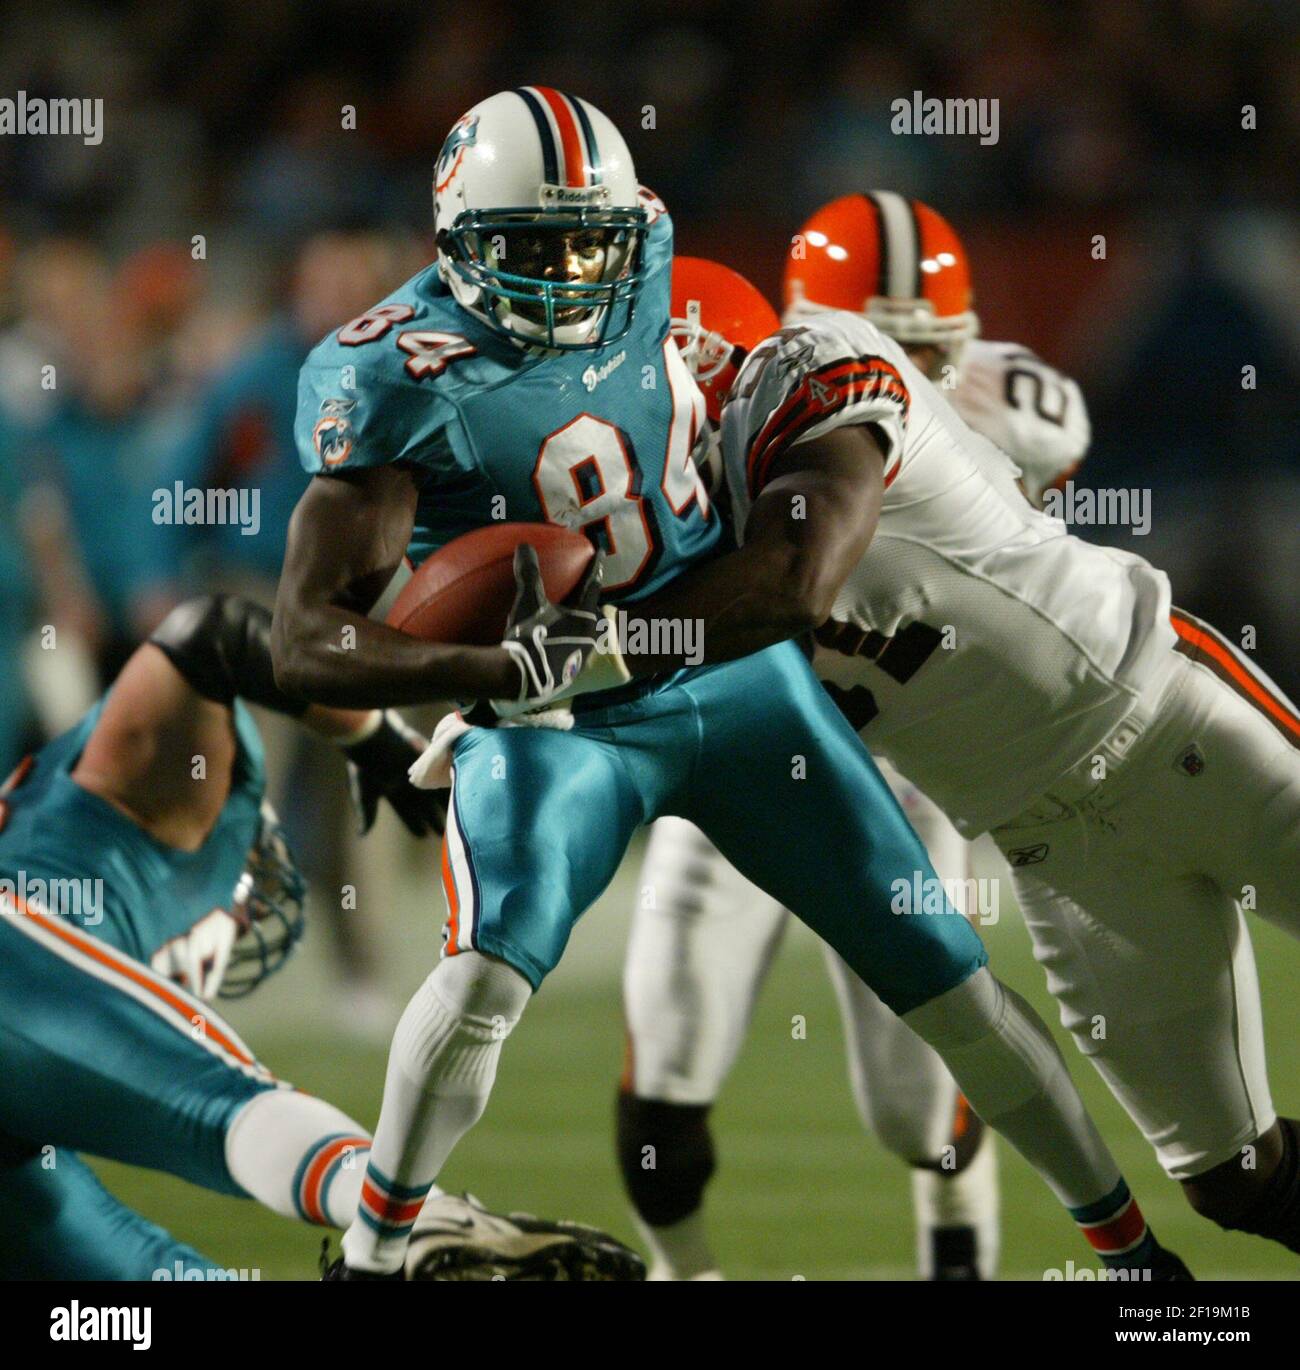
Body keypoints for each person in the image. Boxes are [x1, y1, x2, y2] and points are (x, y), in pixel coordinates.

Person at [272, 89, 1188, 1281]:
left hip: (731, 670)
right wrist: (483, 668)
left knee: (949, 975)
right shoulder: (401, 373)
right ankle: (377, 1244)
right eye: (532, 247)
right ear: (455, 242)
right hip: (557, 710)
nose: (571, 271)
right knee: (488, 967)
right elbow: (304, 639)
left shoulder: (660, 265)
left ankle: (1128, 1253)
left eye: (589, 238)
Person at [617, 248, 1300, 1261]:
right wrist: (511, 704)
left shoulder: (816, 367)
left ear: (697, 362)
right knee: (1237, 1181)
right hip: (1053, 849)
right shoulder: (670, 545)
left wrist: (570, 654)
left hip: (1168, 716)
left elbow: (791, 580)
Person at [0, 593, 631, 1280]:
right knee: (220, 1104)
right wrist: (380, 744)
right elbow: (215, 630)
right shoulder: (159, 788)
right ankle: (427, 1223)